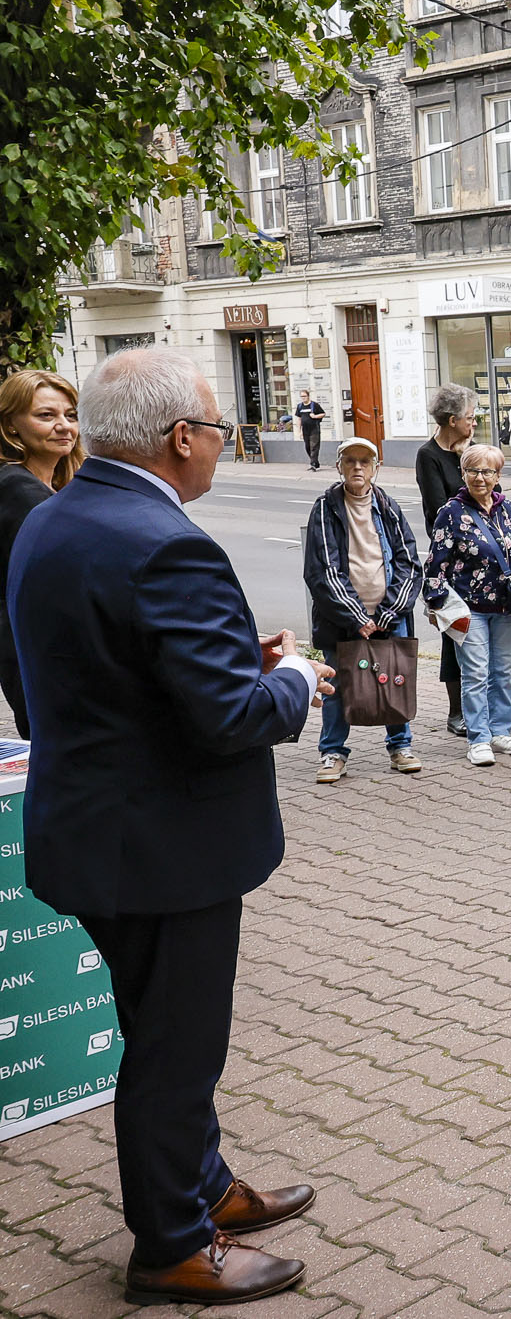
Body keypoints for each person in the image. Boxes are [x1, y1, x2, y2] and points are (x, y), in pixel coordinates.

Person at [6, 348, 329, 1304]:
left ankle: (204, 1186)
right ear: (181, 439)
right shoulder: (165, 540)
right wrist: (292, 678)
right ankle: (173, 1242)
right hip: (163, 850)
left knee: (162, 1029)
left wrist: (235, 657)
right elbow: (231, 718)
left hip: (97, 829)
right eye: (220, 428)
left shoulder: (53, 516)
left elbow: (103, 664)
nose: (226, 445)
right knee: (174, 1050)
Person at [303, 437, 424, 782]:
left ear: (376, 468)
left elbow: (409, 563)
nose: (358, 467)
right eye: (350, 461)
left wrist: (388, 613)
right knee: (337, 685)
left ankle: (400, 746)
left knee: (393, 679)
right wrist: (357, 617)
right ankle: (332, 753)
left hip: (388, 616)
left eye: (365, 462)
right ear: (339, 466)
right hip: (342, 617)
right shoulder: (325, 508)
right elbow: (322, 570)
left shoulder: (387, 507)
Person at [426, 444, 511, 767]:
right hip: (468, 608)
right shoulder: (451, 512)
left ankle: (500, 731)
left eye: (487, 471)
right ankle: (479, 738)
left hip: (505, 607)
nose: (480, 478)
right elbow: (436, 563)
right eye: (472, 471)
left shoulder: (509, 510)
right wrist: (435, 605)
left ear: (499, 475)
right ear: (463, 474)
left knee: (501, 672)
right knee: (474, 673)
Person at [0, 368, 84, 736]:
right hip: (47, 665)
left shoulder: (44, 486)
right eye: (46, 416)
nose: (64, 426)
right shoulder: (19, 490)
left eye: (71, 415)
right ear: (11, 425)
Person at [416, 385, 476, 737]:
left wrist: (468, 457)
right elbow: (441, 510)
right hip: (452, 560)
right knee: (456, 631)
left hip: (481, 559)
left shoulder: (469, 450)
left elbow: (492, 493)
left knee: (486, 631)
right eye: (469, 418)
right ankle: (457, 712)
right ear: (452, 421)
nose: (473, 423)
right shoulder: (429, 455)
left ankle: (484, 705)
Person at [295, 389, 326, 471]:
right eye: (302, 396)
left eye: (304, 396)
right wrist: (299, 431)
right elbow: (299, 419)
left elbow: (323, 414)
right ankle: (316, 462)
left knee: (314, 447)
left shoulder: (314, 405)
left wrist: (315, 416)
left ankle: (313, 464)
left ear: (308, 396)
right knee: (307, 447)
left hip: (314, 429)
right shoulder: (299, 406)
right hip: (305, 430)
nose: (303, 398)